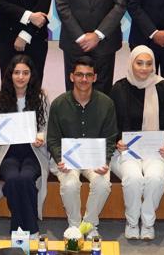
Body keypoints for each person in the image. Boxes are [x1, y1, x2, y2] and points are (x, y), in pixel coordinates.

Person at [0, 55, 51, 236]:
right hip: (7, 152)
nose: (21, 77)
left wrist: (41, 137)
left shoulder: (41, 97)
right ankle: (31, 229)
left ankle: (18, 230)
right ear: (10, 74)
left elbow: (46, 128)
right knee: (12, 179)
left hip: (33, 152)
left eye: (25, 73)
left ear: (31, 75)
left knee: (25, 178)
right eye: (17, 72)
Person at [47, 56, 119, 228]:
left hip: (94, 158)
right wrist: (59, 159)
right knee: (70, 184)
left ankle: (89, 225)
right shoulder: (58, 104)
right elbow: (53, 139)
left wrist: (105, 161)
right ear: (72, 77)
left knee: (102, 184)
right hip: (66, 159)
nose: (84, 79)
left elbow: (111, 138)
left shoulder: (106, 103)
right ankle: (74, 226)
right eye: (79, 75)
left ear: (95, 78)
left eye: (88, 75)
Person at [110, 46, 164, 240]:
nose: (144, 68)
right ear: (131, 63)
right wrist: (117, 141)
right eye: (139, 63)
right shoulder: (119, 88)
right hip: (126, 151)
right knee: (133, 178)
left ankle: (147, 222)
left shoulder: (163, 87)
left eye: (148, 64)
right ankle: (131, 221)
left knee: (155, 178)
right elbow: (111, 122)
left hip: (157, 151)